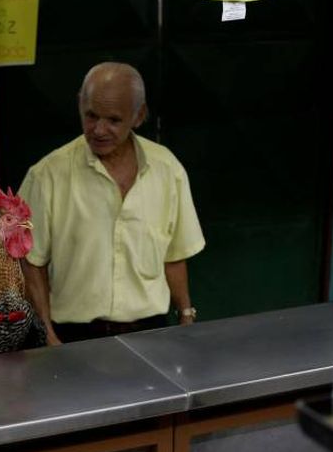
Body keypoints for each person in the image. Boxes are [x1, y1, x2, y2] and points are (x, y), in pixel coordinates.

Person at [18, 62, 205, 345]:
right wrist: (47, 335)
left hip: (152, 333)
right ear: (80, 104)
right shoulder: (47, 175)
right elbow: (31, 263)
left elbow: (175, 255)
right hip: (73, 337)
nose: (99, 130)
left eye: (114, 120)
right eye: (91, 116)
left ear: (139, 116)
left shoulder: (167, 169)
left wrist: (186, 315)